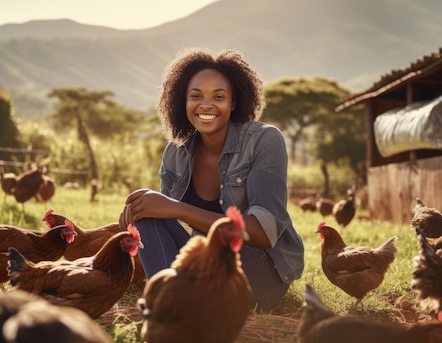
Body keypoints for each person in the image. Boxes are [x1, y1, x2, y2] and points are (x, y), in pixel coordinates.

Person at [119, 47, 304, 310]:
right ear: (182, 101)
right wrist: (138, 209)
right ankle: (166, 302)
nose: (206, 105)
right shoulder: (176, 151)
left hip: (258, 272)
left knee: (227, 245)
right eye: (196, 96)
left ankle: (179, 303)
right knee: (147, 213)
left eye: (219, 96)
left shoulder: (264, 140)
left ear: (234, 102)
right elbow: (166, 222)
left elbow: (262, 233)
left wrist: (174, 207)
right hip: (208, 264)